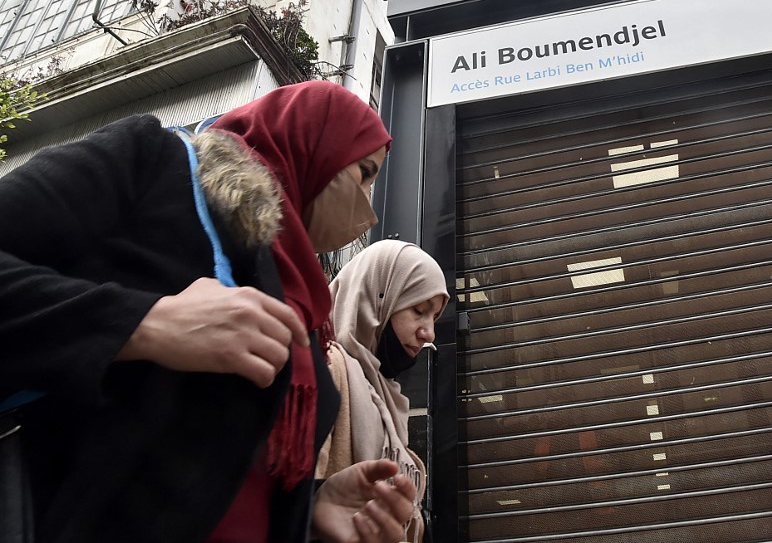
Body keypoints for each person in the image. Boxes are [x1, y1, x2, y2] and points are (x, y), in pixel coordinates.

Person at [0, 81, 416, 543]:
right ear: (314, 141)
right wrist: (144, 323)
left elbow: (214, 475)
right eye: (364, 172)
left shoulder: (307, 309)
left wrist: (313, 511)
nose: (369, 205)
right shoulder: (153, 161)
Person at [316, 240, 449, 543]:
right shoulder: (327, 368)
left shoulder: (390, 401)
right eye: (419, 310)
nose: (429, 333)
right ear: (376, 299)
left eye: (435, 318)